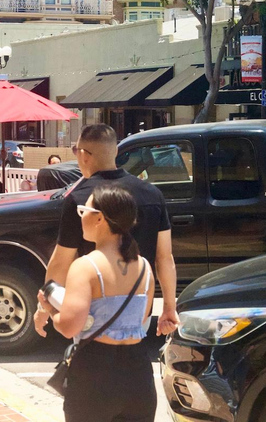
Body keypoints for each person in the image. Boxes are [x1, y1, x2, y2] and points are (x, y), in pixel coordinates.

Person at [35, 124, 179, 354]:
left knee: (91, 369)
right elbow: (165, 257)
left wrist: (45, 306)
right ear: (115, 152)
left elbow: (61, 261)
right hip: (138, 307)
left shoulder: (82, 198)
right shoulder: (152, 193)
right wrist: (170, 307)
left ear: (83, 155)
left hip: (91, 311)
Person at [38, 186, 155, 422]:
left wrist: (50, 309)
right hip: (139, 373)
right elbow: (142, 319)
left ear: (99, 218)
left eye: (83, 211)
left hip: (96, 373)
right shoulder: (144, 266)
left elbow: (70, 326)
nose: (80, 217)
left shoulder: (86, 266)